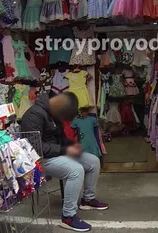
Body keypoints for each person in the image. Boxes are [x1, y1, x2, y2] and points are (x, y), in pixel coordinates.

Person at [21, 91, 108, 232]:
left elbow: (60, 138)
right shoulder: (34, 115)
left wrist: (72, 145)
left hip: (57, 153)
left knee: (93, 161)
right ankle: (68, 216)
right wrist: (65, 150)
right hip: (41, 159)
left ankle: (87, 200)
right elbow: (36, 148)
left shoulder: (54, 113)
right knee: (76, 170)